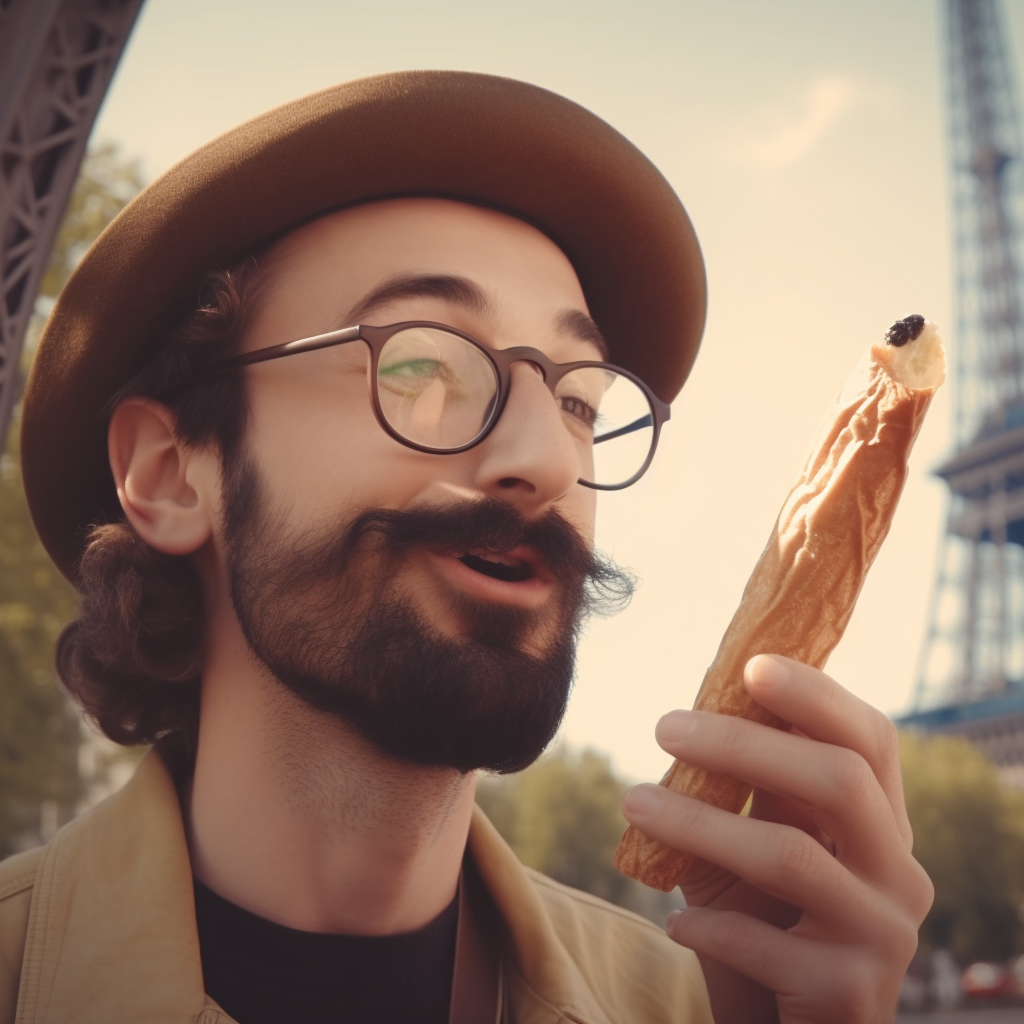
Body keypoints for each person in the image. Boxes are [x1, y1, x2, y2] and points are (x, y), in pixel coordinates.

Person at [0, 71, 931, 1024]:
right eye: (423, 366)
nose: (546, 461)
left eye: (577, 401)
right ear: (168, 472)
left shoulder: (701, 1008)